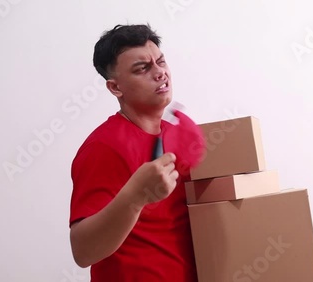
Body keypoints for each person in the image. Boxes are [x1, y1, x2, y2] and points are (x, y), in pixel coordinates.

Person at [69, 24, 204, 282]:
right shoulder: (103, 146)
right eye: (142, 68)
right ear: (115, 88)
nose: (160, 72)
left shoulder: (181, 133)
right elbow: (83, 251)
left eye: (161, 62)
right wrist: (136, 196)